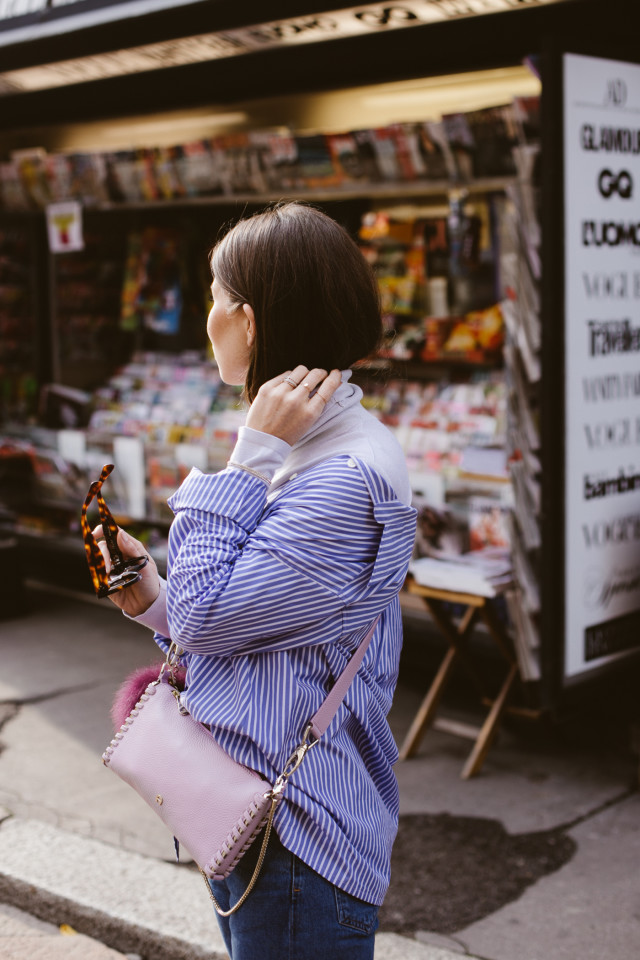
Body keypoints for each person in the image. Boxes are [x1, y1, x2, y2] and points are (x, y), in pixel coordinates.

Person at [95, 201, 416, 960]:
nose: (206, 318)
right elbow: (255, 629)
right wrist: (152, 599)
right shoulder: (316, 448)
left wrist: (247, 459)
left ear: (247, 318)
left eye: (213, 297)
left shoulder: (341, 475)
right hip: (256, 820)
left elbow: (212, 621)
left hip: (300, 840)